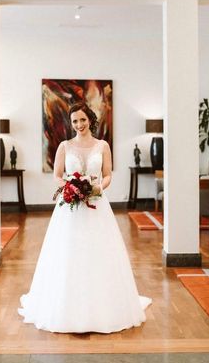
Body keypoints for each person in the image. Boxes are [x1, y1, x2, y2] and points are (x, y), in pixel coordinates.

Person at [19, 102, 151, 333]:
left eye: (82, 119)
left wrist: (99, 187)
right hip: (69, 206)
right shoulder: (64, 146)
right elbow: (57, 176)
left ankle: (101, 308)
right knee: (68, 252)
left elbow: (107, 175)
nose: (79, 125)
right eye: (74, 121)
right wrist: (70, 187)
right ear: (71, 124)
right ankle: (65, 308)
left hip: (97, 205)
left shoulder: (102, 146)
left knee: (99, 252)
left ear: (90, 119)